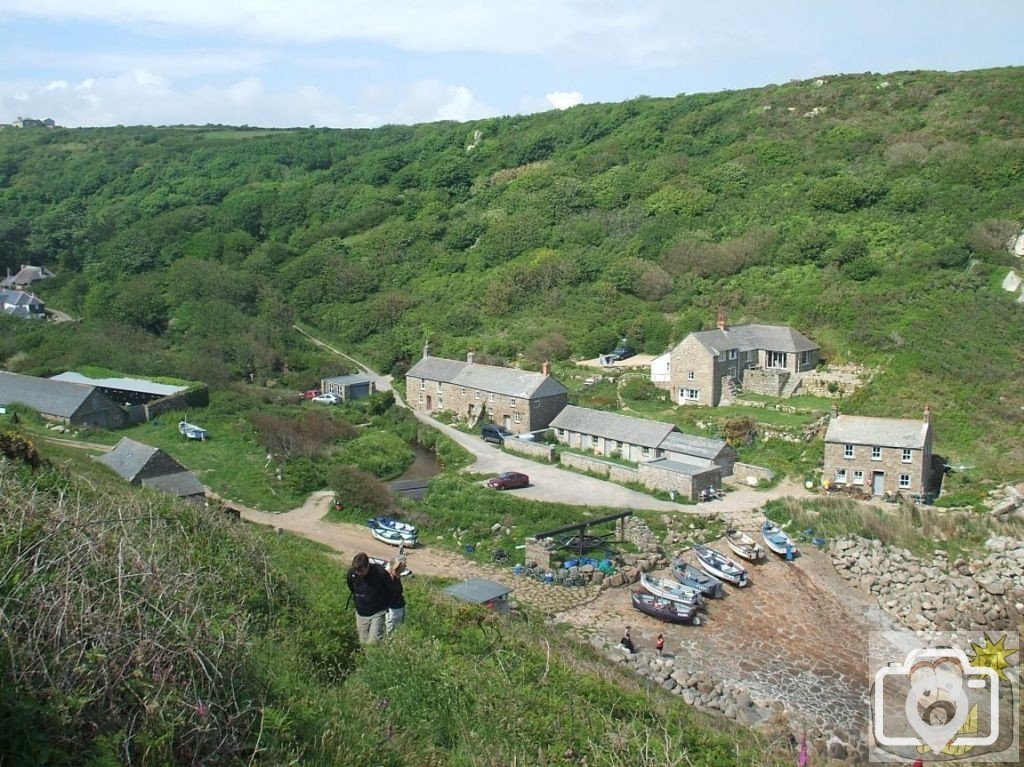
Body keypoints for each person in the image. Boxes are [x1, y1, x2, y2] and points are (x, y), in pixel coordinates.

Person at [346, 552, 391, 644]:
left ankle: (375, 656)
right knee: (363, 642)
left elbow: (390, 589)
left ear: (368, 566)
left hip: (378, 612)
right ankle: (368, 658)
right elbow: (352, 588)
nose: (359, 573)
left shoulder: (380, 573)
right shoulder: (352, 574)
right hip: (361, 614)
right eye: (357, 571)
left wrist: (387, 605)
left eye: (361, 571)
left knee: (372, 643)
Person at [385, 558, 406, 636]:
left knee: (399, 630)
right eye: (404, 565)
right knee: (391, 631)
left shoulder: (397, 576)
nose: (405, 566)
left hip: (400, 606)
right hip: (393, 609)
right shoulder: (390, 578)